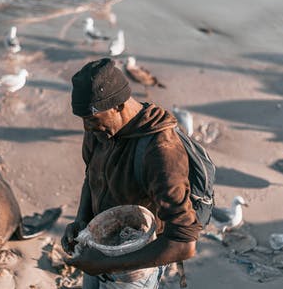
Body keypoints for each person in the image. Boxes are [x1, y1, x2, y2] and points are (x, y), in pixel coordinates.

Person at [62, 58, 202, 289]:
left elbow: (183, 244)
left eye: (92, 119)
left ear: (118, 105)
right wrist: (81, 221)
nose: (87, 128)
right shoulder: (100, 130)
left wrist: (106, 265)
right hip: (99, 249)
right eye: (84, 120)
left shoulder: (161, 152)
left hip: (135, 267)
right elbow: (92, 177)